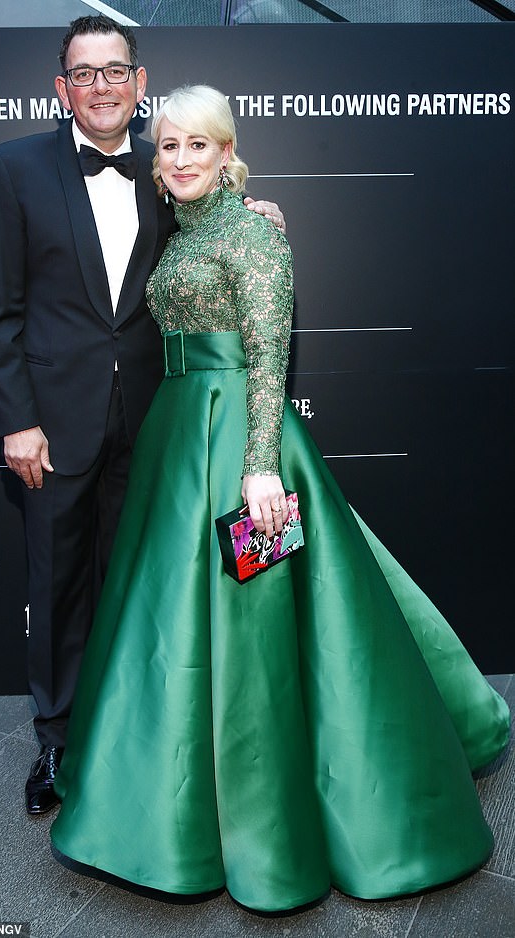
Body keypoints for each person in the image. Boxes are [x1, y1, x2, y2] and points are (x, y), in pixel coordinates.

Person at [50, 85, 510, 912]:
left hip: (236, 437)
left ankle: (271, 819)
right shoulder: (187, 228)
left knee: (259, 621)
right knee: (172, 621)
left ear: (229, 151)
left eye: (199, 145)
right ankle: (170, 799)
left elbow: (269, 354)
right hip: (178, 436)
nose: (181, 159)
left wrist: (261, 465)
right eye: (168, 147)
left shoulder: (255, 231)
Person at [0, 17, 285, 816]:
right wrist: (16, 420)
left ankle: (134, 739)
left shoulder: (165, 162)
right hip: (53, 427)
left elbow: (212, 235)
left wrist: (256, 214)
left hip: (158, 426)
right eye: (85, 73)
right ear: (62, 87)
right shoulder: (14, 169)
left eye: (117, 70)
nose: (103, 85)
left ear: (140, 84)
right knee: (61, 587)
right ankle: (58, 744)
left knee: (142, 588)